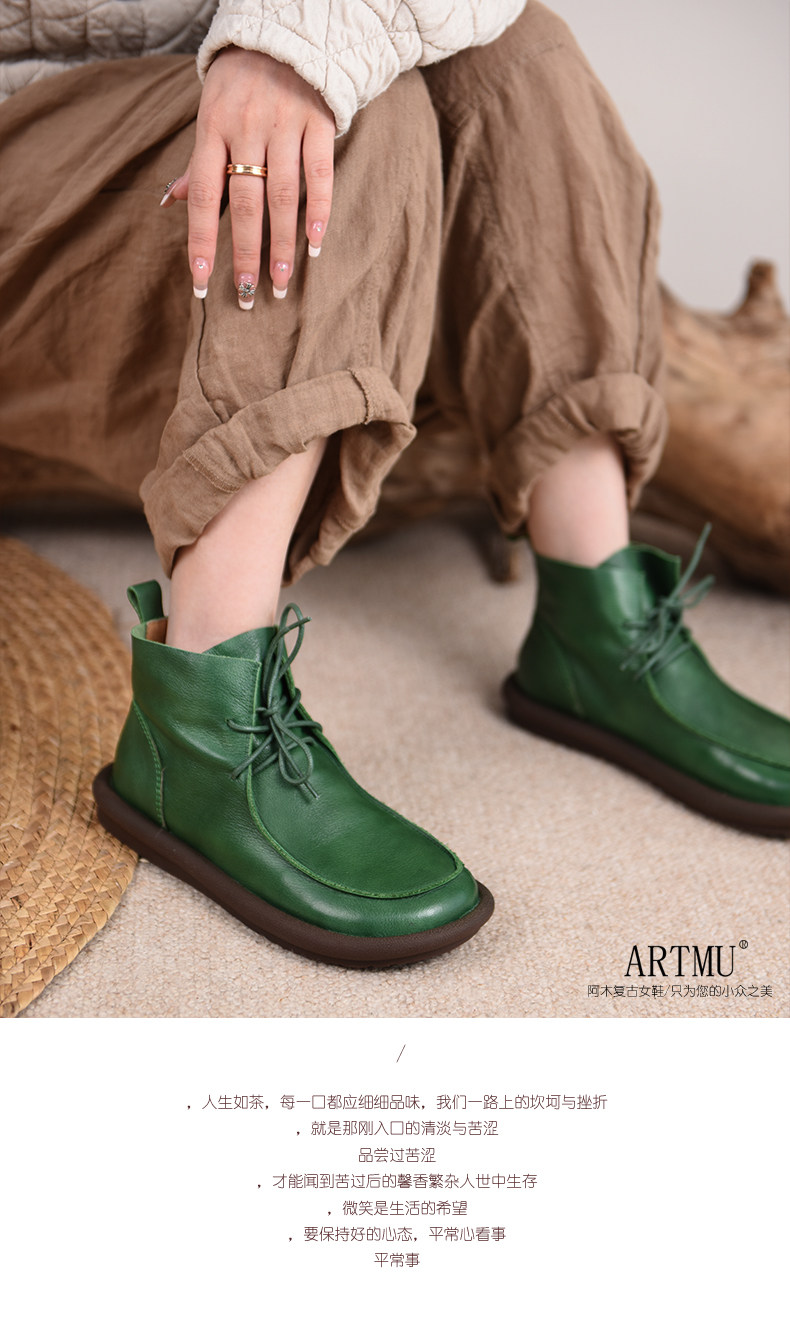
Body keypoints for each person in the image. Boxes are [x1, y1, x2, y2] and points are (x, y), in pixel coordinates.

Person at [1, 2, 788, 970]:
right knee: (337, 115)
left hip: (179, 113)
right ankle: (203, 718)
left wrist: (282, 44)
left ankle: (600, 620)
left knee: (512, 51)